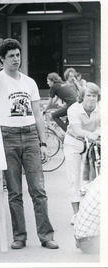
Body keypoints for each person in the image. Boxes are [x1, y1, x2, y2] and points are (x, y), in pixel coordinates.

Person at [0, 38, 59, 250]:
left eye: (18, 54)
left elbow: (38, 114)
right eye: (11, 56)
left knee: (38, 189)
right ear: (2, 59)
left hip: (31, 135)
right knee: (14, 192)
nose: (16, 59)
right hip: (8, 136)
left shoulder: (29, 82)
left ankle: (46, 235)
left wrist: (43, 143)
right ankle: (19, 236)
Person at [63, 82, 100, 225]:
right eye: (89, 95)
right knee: (74, 178)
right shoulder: (74, 109)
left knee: (93, 177)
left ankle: (91, 211)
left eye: (94, 96)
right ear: (82, 97)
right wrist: (94, 134)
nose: (91, 99)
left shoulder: (102, 108)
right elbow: (78, 131)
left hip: (93, 142)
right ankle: (76, 214)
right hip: (74, 141)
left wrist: (96, 134)